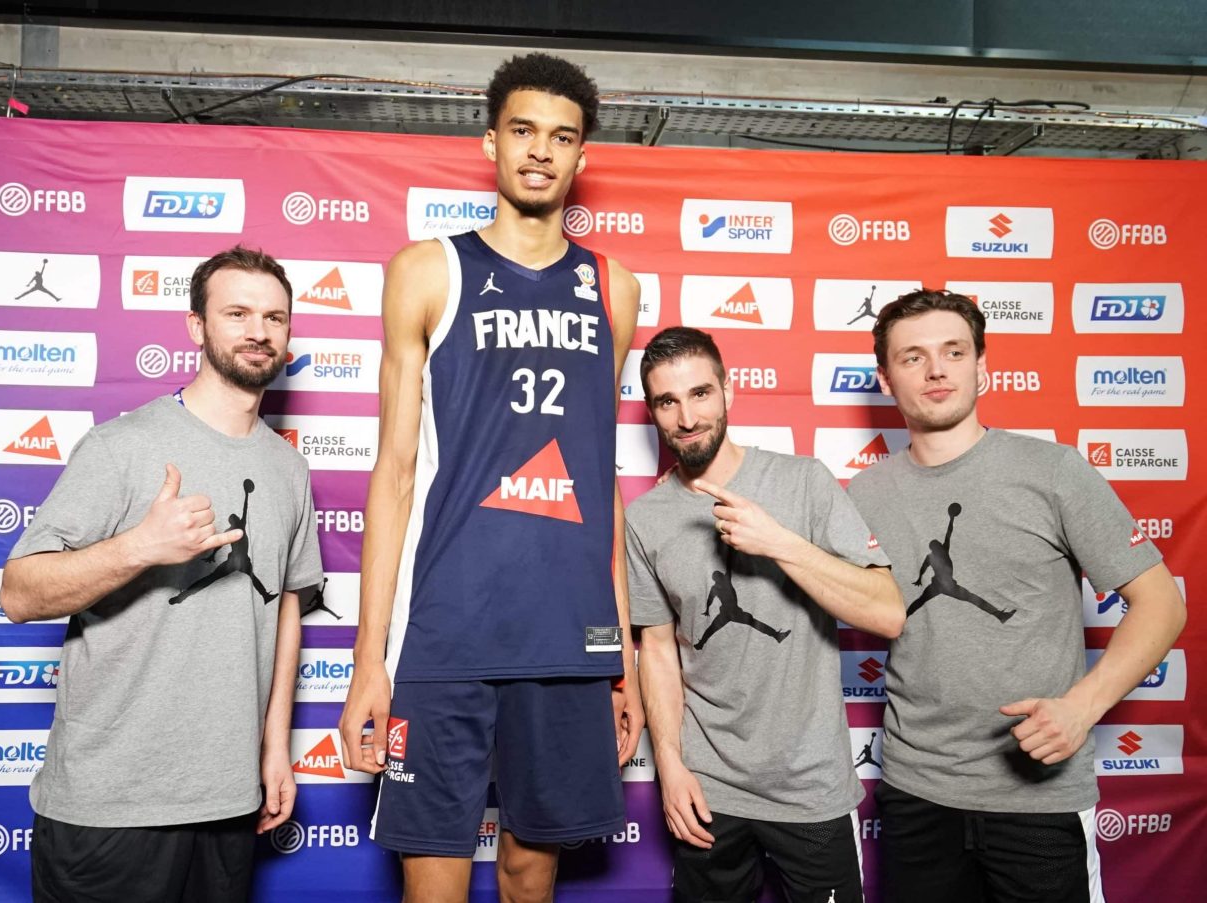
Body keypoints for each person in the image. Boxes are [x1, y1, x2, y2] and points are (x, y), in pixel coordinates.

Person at [337, 53, 643, 902]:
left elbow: (599, 476)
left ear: (582, 158)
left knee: (527, 874)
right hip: (446, 629)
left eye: (562, 136)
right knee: (432, 877)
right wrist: (370, 657)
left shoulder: (615, 289)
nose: (540, 151)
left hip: (565, 635)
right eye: (522, 131)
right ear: (490, 142)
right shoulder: (427, 269)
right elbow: (393, 473)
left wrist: (616, 653)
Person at [0, 246, 324, 902]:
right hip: (112, 806)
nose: (258, 330)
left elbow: (287, 606)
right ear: (196, 326)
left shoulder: (289, 468)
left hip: (227, 799)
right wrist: (139, 546)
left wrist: (273, 748)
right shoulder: (123, 446)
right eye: (236, 313)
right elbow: (18, 594)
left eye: (274, 317)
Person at [847, 289, 1185, 903]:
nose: (936, 369)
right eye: (913, 356)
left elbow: (1162, 603)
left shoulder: (1053, 471)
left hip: (1038, 799)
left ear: (982, 366)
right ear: (885, 378)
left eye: (954, 351)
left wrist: (1081, 708)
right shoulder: (861, 495)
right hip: (915, 795)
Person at [627, 327, 904, 903]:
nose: (686, 417)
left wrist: (779, 542)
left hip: (809, 789)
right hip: (707, 788)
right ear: (653, 411)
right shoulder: (646, 518)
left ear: (729, 390)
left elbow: (887, 613)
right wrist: (672, 767)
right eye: (667, 402)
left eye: (701, 393)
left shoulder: (803, 482)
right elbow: (657, 648)